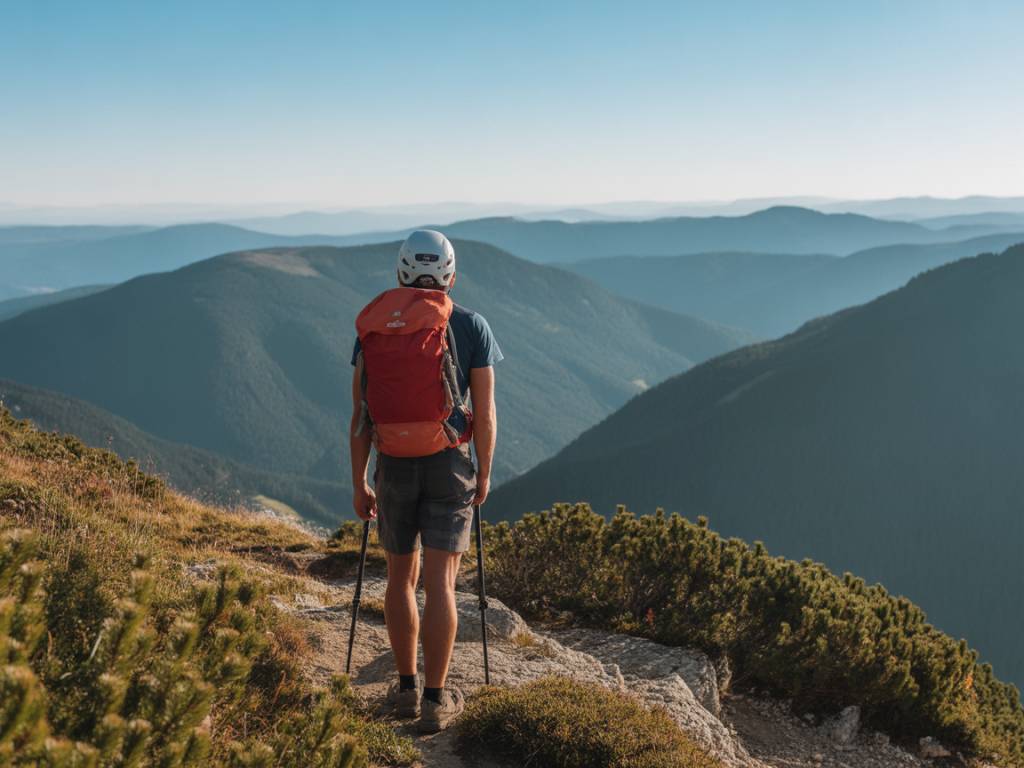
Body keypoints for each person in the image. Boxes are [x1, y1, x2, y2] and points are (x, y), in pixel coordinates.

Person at [349, 230, 501, 733]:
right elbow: (485, 410)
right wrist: (483, 472)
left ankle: (405, 691)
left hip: (392, 462)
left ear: (400, 273)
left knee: (399, 580)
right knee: (441, 584)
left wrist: (359, 482)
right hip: (448, 462)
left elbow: (360, 415)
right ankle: (437, 700)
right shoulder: (471, 325)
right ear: (450, 275)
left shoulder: (375, 327)